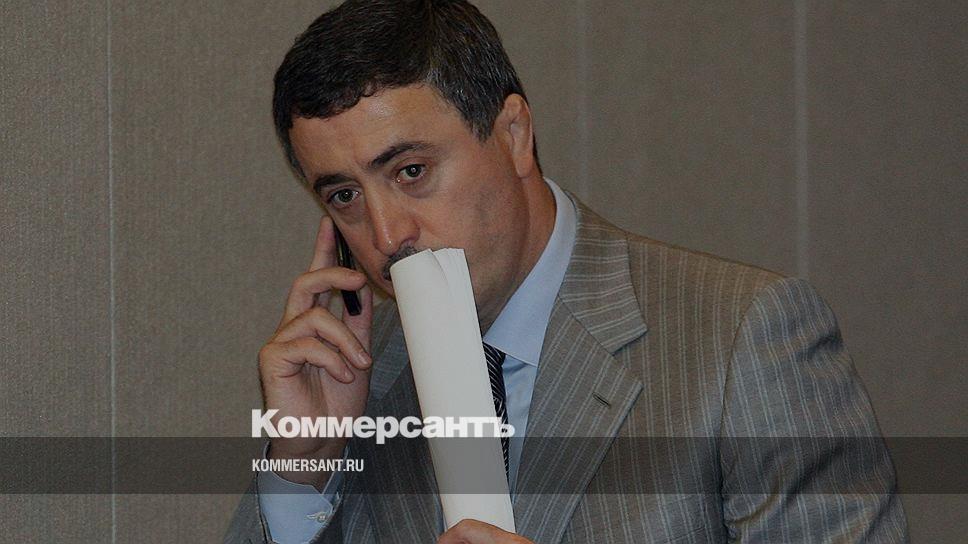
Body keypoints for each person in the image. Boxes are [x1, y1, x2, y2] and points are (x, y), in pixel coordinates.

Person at [226, 1, 908, 542]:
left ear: (514, 135)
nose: (386, 236)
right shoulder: (355, 375)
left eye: (411, 172)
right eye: (345, 195)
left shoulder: (741, 336)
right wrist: (303, 470)